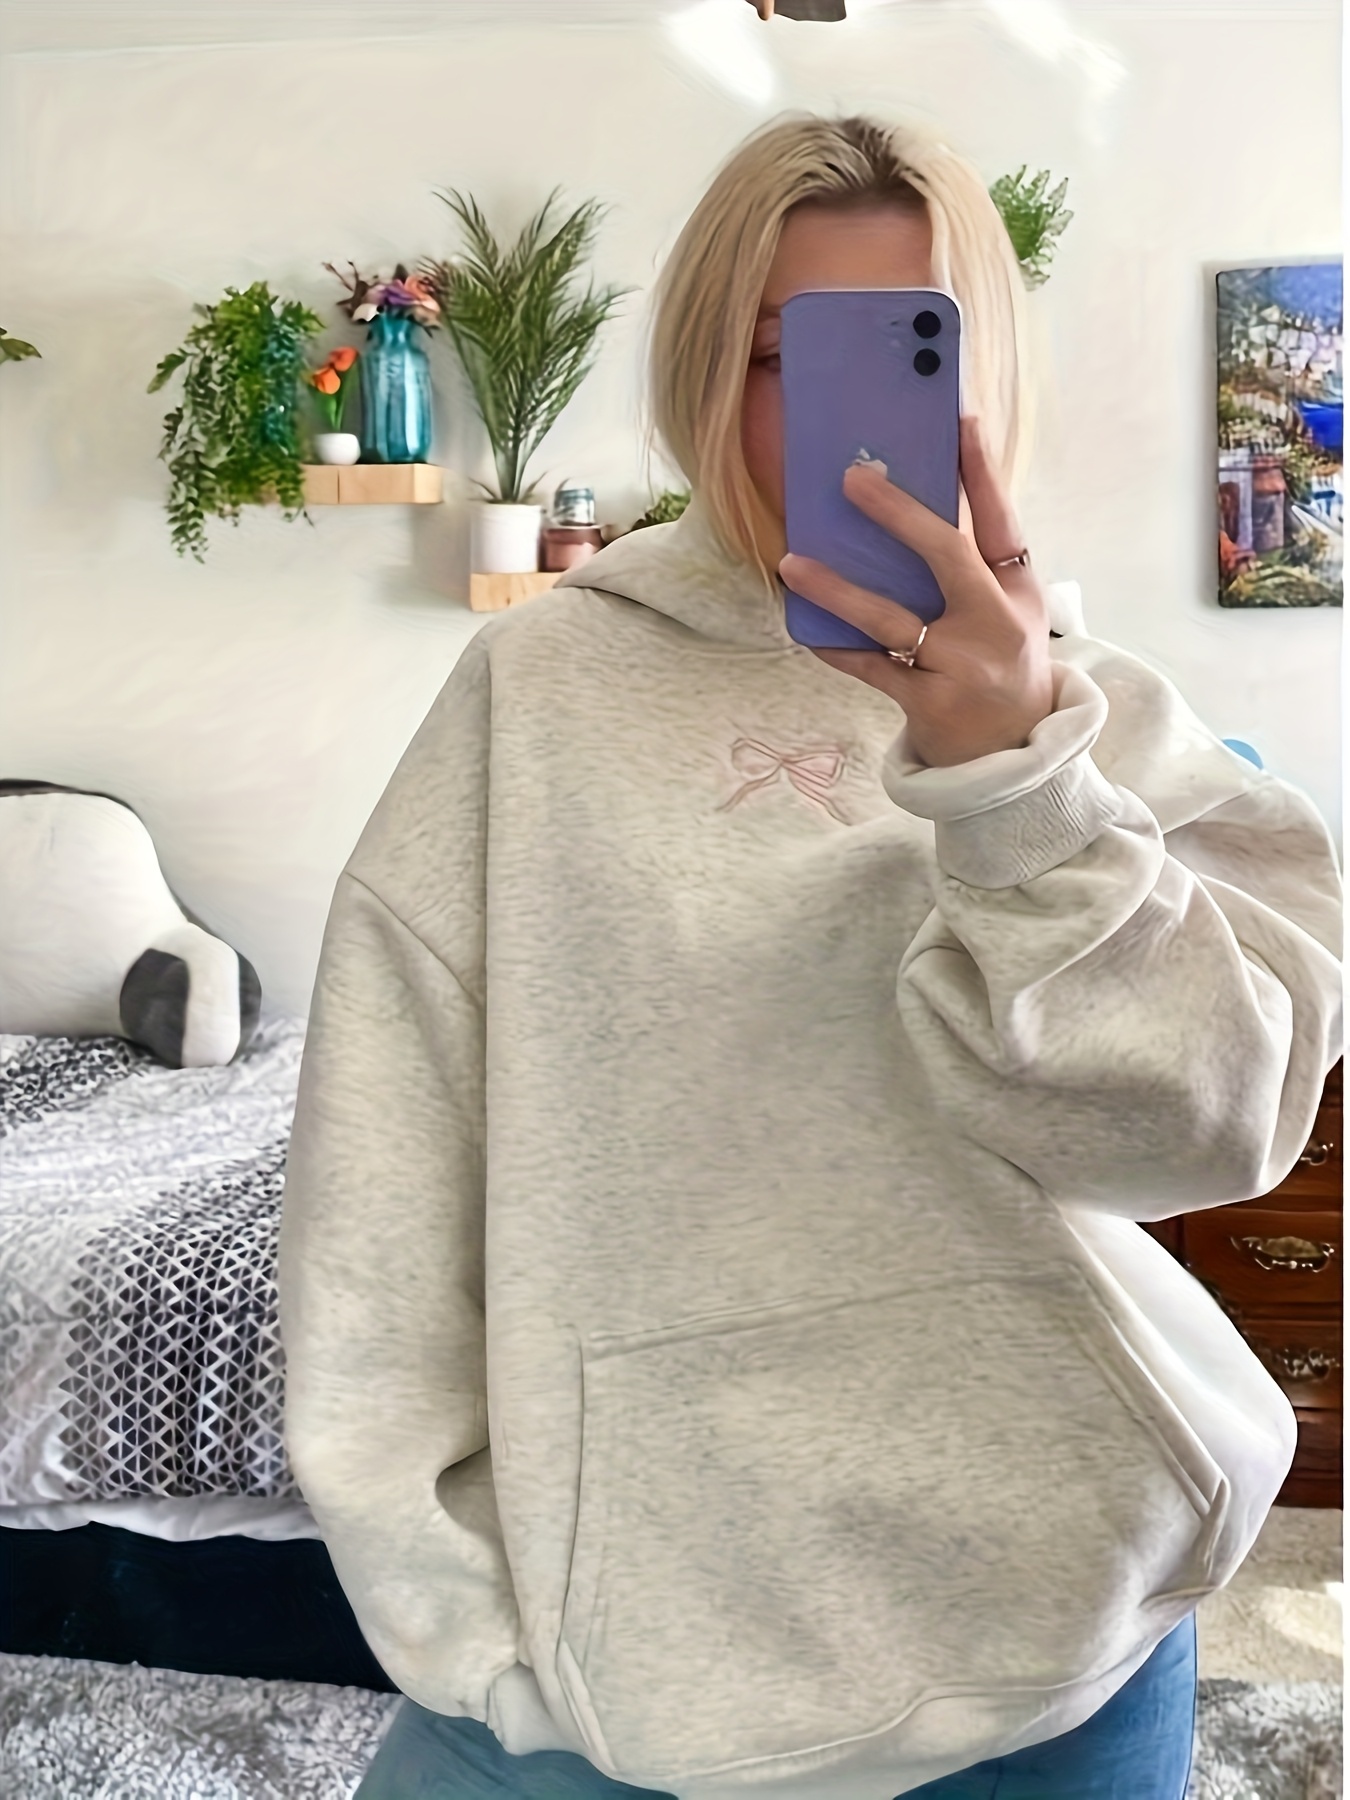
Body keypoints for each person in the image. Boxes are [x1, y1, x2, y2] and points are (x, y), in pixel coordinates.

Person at [276, 113, 1343, 1800]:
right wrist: (458, 1619)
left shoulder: (1099, 716)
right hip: (625, 1663)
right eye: (779, 353)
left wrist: (1017, 781)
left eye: (911, 351)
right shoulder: (538, 692)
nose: (837, 421)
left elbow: (1202, 1135)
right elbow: (384, 1182)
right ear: (703, 366)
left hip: (1067, 1620)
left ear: (988, 375)